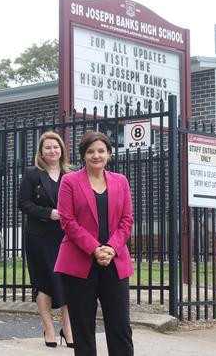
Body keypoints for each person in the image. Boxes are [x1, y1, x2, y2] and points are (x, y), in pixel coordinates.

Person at [54, 130, 134, 356]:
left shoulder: (121, 181)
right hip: (79, 263)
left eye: (101, 151)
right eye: (90, 151)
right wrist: (94, 248)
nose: (96, 155)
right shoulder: (69, 181)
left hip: (114, 261)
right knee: (83, 328)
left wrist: (111, 248)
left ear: (109, 153)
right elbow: (67, 220)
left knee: (120, 325)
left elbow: (127, 220)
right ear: (83, 155)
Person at [17, 131, 74, 348]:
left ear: (62, 150)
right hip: (39, 237)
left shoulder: (71, 174)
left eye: (56, 147)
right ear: (41, 151)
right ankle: (49, 329)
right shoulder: (32, 173)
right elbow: (23, 203)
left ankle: (68, 329)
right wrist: (47, 213)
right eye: (48, 147)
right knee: (44, 284)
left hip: (65, 236)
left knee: (66, 282)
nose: (52, 151)